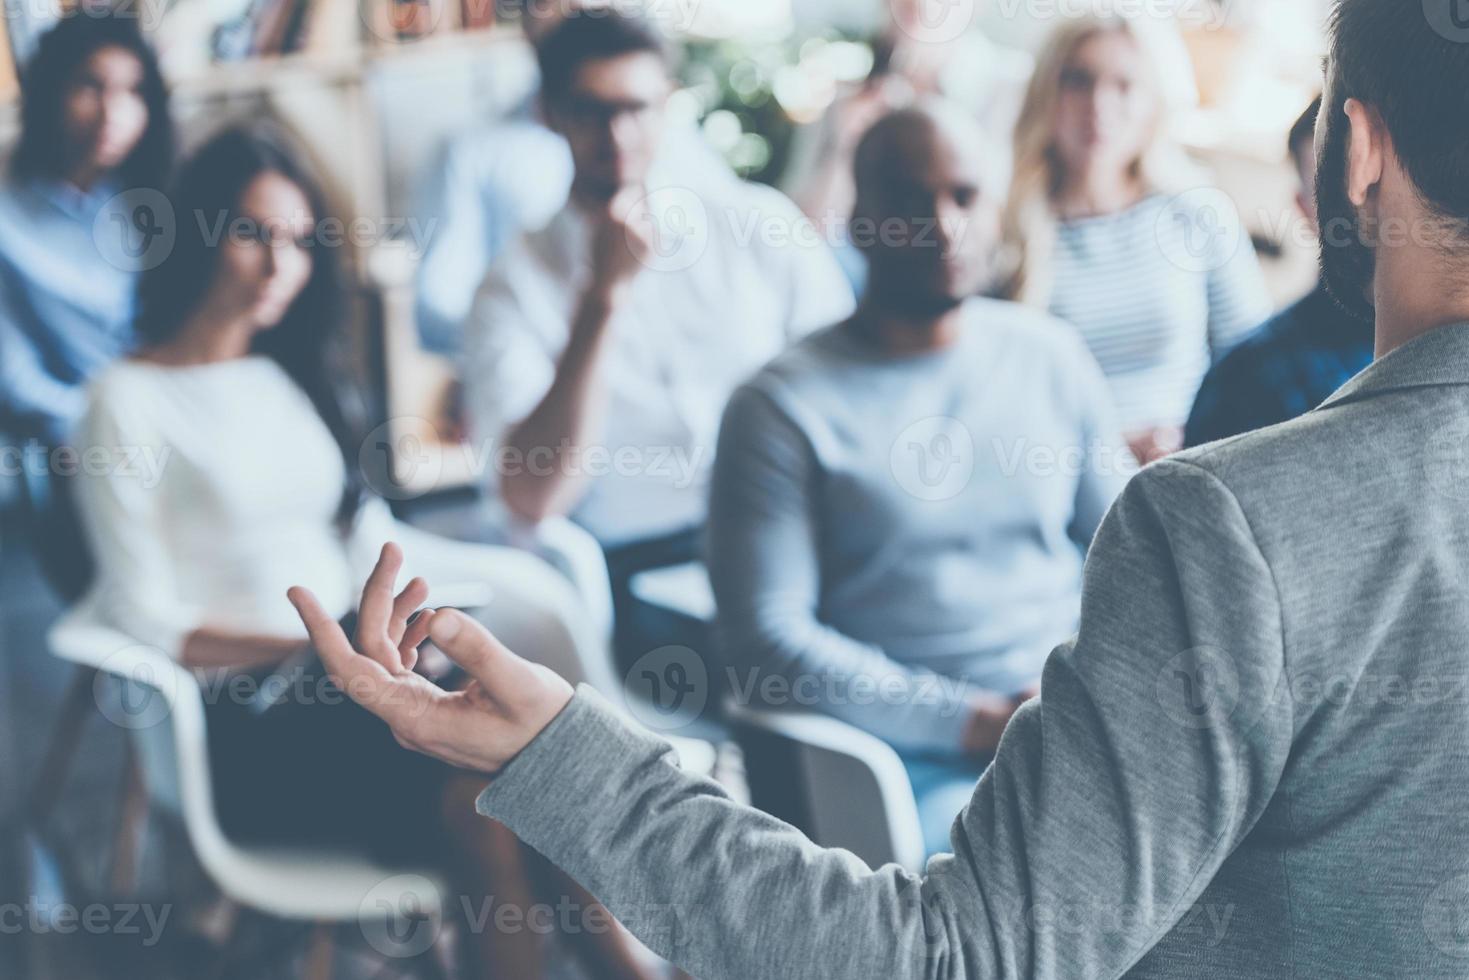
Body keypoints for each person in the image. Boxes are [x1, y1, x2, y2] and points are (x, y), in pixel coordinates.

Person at [290, 0, 1469, 975]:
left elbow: (954, 957)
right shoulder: (774, 395)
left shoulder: (1213, 516)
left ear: (1351, 153)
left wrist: (557, 744)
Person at [74, 125, 662, 980]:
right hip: (246, 723)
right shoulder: (123, 402)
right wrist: (327, 656)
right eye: (251, 233)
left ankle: (634, 970)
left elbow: (366, 540)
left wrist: (392, 638)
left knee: (504, 787)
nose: (280, 265)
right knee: (510, 778)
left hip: (367, 694)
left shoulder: (290, 378)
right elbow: (142, 618)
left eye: (298, 240)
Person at [709, 105, 1132, 857]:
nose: (940, 224)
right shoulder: (778, 407)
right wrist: (972, 721)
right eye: (908, 198)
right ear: (858, 217)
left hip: (1078, 723)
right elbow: (766, 643)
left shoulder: (1049, 357)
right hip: (905, 766)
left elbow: (1133, 555)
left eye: (963, 196)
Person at [463, 9, 854, 665]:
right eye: (590, 111)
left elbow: (852, 387)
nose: (616, 136)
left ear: (667, 106)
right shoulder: (513, 286)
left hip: (791, 533)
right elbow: (533, 497)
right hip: (643, 566)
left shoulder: (754, 227)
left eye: (636, 108)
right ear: (549, 114)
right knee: (787, 652)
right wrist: (601, 298)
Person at [1001, 13, 1271, 463]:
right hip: (1055, 473)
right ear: (1046, 94)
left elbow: (1257, 368)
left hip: (1189, 467)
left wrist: (1195, 439)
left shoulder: (1198, 215)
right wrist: (1108, 450)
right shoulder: (1007, 230)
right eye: (1078, 81)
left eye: (1124, 84)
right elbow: (995, 398)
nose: (1098, 105)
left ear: (1154, 103)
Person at [411, 4, 731, 356]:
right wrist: (518, 339)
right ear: (526, 25)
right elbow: (436, 309)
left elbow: (736, 249)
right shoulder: (473, 155)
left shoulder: (671, 134)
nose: (617, 136)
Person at [0, 13, 173, 446]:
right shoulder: (9, 216)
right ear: (51, 92)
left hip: (169, 416)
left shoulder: (156, 200)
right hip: (73, 440)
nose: (112, 113)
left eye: (132, 92)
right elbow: (15, 375)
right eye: (90, 86)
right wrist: (108, 429)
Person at [783, 0, 1033, 293]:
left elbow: (1002, 224)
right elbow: (801, 239)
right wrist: (844, 150)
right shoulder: (847, 98)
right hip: (860, 289)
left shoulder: (1011, 86)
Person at [1183, 97, 1374, 446]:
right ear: (1305, 209)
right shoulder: (1247, 379)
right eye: (1334, 185)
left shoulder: (1447, 346)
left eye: (1373, 176)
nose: (1359, 200)